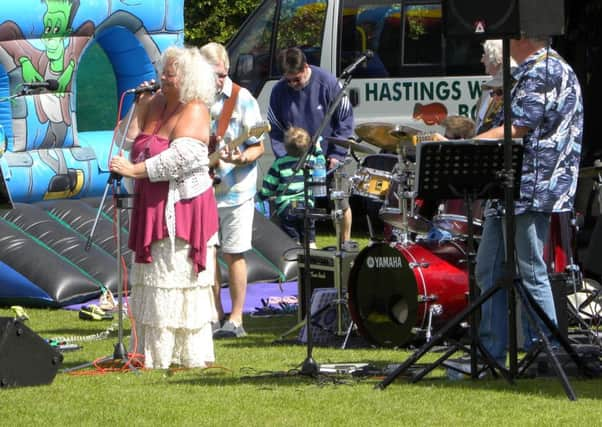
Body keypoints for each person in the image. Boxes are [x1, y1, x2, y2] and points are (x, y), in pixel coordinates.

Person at [459, 36, 583, 372]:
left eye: (510, 34)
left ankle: (547, 353)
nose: (505, 39)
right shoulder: (533, 68)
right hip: (510, 187)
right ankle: (492, 353)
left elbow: (519, 127)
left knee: (530, 270)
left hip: (532, 184)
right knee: (488, 269)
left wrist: (466, 143)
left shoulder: (544, 69)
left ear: (524, 38)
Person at [109, 46, 219, 369]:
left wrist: (133, 170)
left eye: (170, 73)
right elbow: (124, 142)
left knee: (175, 278)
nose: (163, 77)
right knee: (151, 280)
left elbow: (180, 159)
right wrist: (137, 107)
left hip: (181, 207)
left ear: (186, 78)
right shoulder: (153, 102)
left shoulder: (195, 109)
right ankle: (151, 354)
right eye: (163, 71)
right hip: (149, 202)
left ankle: (182, 355)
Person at [200, 42, 265, 339]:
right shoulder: (194, 98)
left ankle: (237, 318)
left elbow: (258, 146)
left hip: (237, 189)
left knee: (234, 253)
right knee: (208, 254)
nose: (219, 80)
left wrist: (240, 157)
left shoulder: (243, 98)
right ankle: (215, 313)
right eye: (213, 74)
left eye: (222, 74)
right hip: (203, 188)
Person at [267, 47, 355, 246]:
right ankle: (298, 247)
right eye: (288, 80)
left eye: (296, 80)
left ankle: (344, 245)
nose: (292, 84)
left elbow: (345, 119)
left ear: (306, 67)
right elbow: (275, 129)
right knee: (292, 207)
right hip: (295, 163)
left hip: (329, 158)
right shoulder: (279, 91)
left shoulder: (329, 83)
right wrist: (285, 158)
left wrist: (337, 155)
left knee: (340, 203)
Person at [257, 127, 324, 247]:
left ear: (285, 146)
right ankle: (311, 247)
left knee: (292, 239)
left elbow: (269, 187)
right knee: (309, 235)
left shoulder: (279, 163)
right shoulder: (311, 160)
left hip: (287, 207)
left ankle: (295, 247)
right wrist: (317, 147)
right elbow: (321, 161)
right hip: (306, 205)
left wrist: (260, 196)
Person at [474, 39, 517, 134]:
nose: (481, 60)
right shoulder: (488, 89)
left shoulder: (514, 83)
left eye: (484, 54)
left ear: (497, 57)